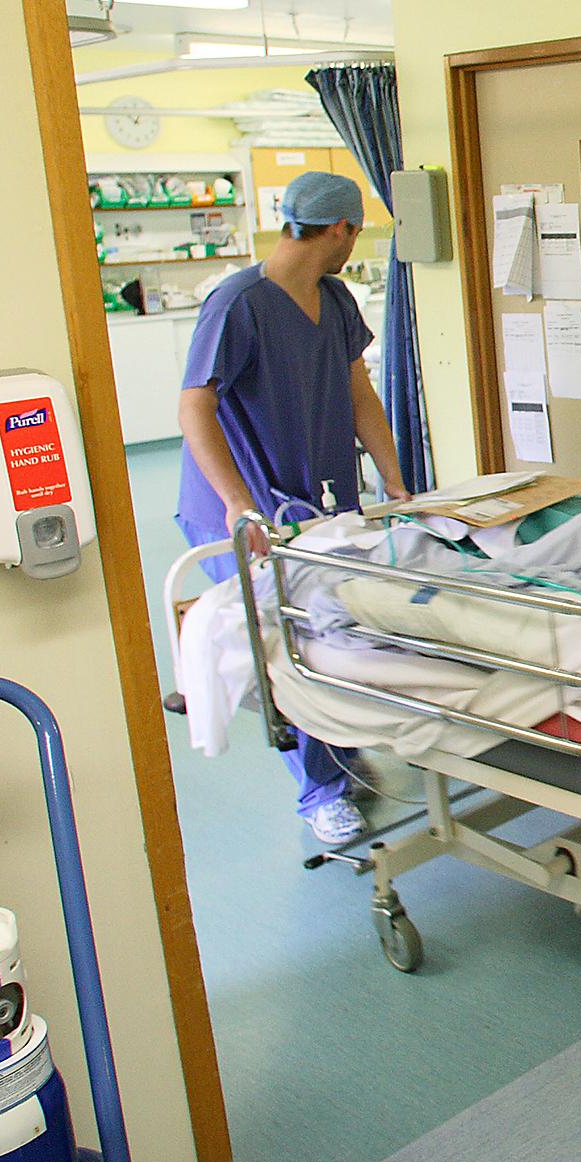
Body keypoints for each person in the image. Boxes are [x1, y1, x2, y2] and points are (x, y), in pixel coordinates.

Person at [177, 170, 409, 845]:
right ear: (340, 229)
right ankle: (320, 792)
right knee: (289, 639)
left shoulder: (333, 300)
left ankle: (334, 743)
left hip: (315, 496)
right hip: (240, 504)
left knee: (333, 625)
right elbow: (195, 406)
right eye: (356, 232)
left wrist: (395, 481)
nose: (354, 243)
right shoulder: (238, 303)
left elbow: (356, 390)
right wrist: (238, 505)